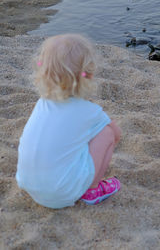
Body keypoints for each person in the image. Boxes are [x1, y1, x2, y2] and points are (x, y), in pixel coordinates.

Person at [16, 34, 122, 209]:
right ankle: (93, 189)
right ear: (87, 75)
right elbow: (116, 135)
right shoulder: (89, 111)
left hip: (28, 183)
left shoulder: (42, 103)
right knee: (107, 133)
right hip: (61, 193)